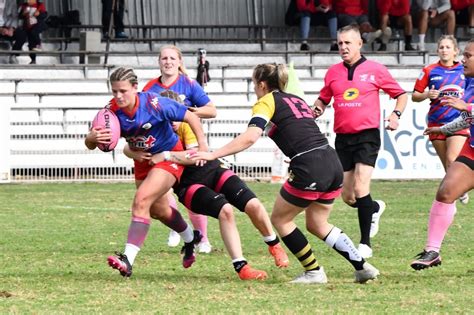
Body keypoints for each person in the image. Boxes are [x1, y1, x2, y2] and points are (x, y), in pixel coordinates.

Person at [192, 63, 380, 284]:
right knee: (318, 224)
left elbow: (251, 137)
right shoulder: (295, 99)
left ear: (262, 84)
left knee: (281, 220)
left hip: (309, 165)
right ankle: (362, 267)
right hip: (331, 160)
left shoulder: (265, 101)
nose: (255, 89)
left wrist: (214, 154)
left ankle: (314, 272)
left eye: (254, 84)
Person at [125, 119, 290, 280]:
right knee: (225, 211)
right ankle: (242, 267)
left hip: (213, 170)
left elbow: (195, 156)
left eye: (175, 117)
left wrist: (166, 156)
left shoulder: (187, 126)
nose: (173, 122)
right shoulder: (154, 132)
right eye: (169, 118)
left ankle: (274, 244)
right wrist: (133, 152)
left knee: (253, 204)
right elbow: (129, 146)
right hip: (187, 185)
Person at [85, 67, 207, 277]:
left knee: (141, 200)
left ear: (135, 88)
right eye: (114, 91)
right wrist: (92, 138)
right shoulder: (110, 111)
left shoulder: (154, 103)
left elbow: (191, 117)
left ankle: (127, 260)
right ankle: (190, 237)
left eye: (123, 91)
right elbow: (92, 143)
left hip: (169, 156)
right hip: (143, 160)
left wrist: (203, 148)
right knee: (157, 211)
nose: (118, 96)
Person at [313, 25, 408, 259]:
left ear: (359, 44)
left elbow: (401, 95)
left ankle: (365, 244)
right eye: (340, 43)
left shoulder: (375, 70)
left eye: (348, 43)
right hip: (343, 138)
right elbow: (323, 99)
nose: (343, 47)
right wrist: (316, 109)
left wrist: (395, 115)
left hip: (367, 136)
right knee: (348, 196)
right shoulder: (333, 72)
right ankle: (373, 208)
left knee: (361, 187)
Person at [142, 45, 217, 253]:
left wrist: (188, 114)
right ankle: (177, 228)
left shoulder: (189, 84)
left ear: (179, 62)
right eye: (164, 58)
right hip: (162, 145)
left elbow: (212, 110)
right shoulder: (149, 88)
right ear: (159, 62)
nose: (168, 62)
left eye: (172, 58)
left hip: (187, 146)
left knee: (192, 193)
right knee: (164, 192)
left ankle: (203, 239)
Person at [411, 39, 474, 270]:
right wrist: (443, 129)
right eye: (464, 55)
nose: (463, 60)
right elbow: (468, 119)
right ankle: (432, 251)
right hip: (473, 148)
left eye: (468, 56)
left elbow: (468, 111)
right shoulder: (468, 80)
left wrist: (467, 107)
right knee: (446, 191)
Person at [412, 35, 469, 204]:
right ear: (437, 51)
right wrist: (427, 94)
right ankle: (455, 192)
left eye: (448, 47)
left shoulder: (464, 70)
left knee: (453, 158)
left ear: (456, 51)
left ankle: (460, 188)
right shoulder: (429, 70)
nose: (444, 50)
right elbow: (415, 95)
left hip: (458, 121)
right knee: (447, 164)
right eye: (441, 47)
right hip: (436, 122)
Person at [11, 0, 47, 64]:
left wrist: (39, 14)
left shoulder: (39, 5)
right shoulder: (24, 5)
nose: (28, 1)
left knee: (33, 37)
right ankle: (30, 58)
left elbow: (44, 15)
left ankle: (38, 46)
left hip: (36, 25)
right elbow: (20, 16)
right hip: (27, 26)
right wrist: (23, 14)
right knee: (26, 40)